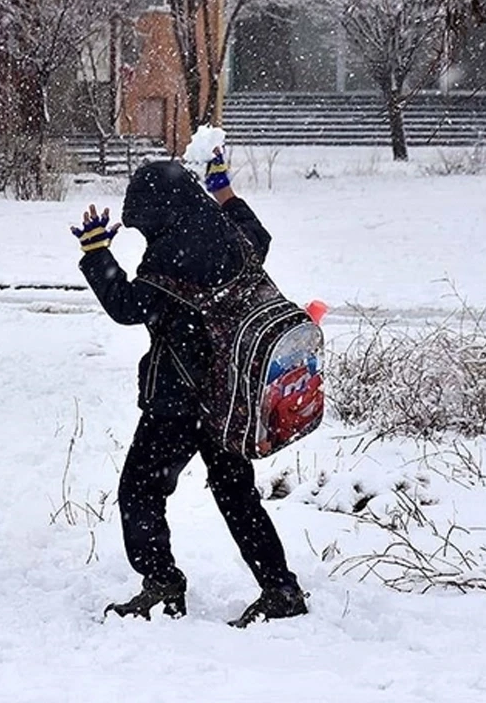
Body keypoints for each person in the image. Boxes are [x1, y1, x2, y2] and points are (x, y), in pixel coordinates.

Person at [73, 152, 307, 628]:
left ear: (161, 211)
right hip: (228, 398)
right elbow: (257, 232)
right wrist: (223, 188)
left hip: (178, 403)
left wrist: (97, 253)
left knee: (139, 490)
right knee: (237, 494)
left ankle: (161, 586)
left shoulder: (171, 258)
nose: (145, 235)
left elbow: (127, 306)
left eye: (145, 224)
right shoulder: (231, 237)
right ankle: (280, 589)